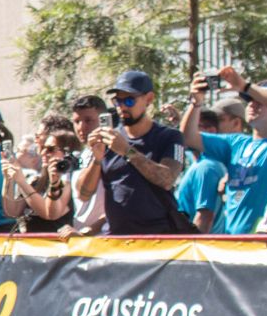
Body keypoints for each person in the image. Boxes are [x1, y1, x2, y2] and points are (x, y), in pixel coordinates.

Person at [76, 71, 187, 236]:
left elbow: (167, 179)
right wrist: (96, 160)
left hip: (158, 238)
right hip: (116, 239)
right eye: (117, 101)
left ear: (148, 99)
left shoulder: (169, 136)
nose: (122, 107)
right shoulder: (109, 137)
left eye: (129, 100)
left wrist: (127, 151)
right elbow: (83, 194)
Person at [183, 68, 267, 235]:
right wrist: (196, 103)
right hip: (232, 245)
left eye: (260, 101)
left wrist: (244, 86)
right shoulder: (236, 143)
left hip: (265, 246)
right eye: (250, 100)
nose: (252, 104)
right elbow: (188, 137)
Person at [2, 130, 79, 232]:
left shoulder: (67, 182)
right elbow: (12, 211)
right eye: (42, 148)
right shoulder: (35, 181)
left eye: (50, 149)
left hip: (55, 244)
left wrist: (22, 182)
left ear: (66, 153)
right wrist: (8, 178)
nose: (43, 153)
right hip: (31, 245)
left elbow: (49, 214)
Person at [64, 94, 109, 236]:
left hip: (108, 238)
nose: (81, 127)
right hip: (82, 241)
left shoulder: (115, 152)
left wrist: (89, 231)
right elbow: (82, 196)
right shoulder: (80, 156)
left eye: (88, 120)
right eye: (77, 121)